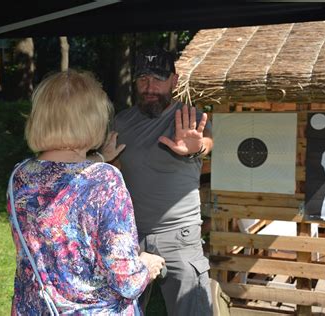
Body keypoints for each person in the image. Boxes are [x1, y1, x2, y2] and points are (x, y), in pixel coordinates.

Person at [7, 69, 165, 315]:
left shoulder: (20, 176)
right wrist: (147, 264)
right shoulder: (105, 180)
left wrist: (101, 157)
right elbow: (126, 280)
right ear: (93, 119)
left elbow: (60, 172)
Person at [103, 47, 214, 315]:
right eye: (143, 79)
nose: (149, 87)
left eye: (158, 79)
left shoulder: (189, 119)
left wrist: (197, 148)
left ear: (174, 81)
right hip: (131, 237)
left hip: (180, 239)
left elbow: (208, 142)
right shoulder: (121, 121)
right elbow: (113, 170)